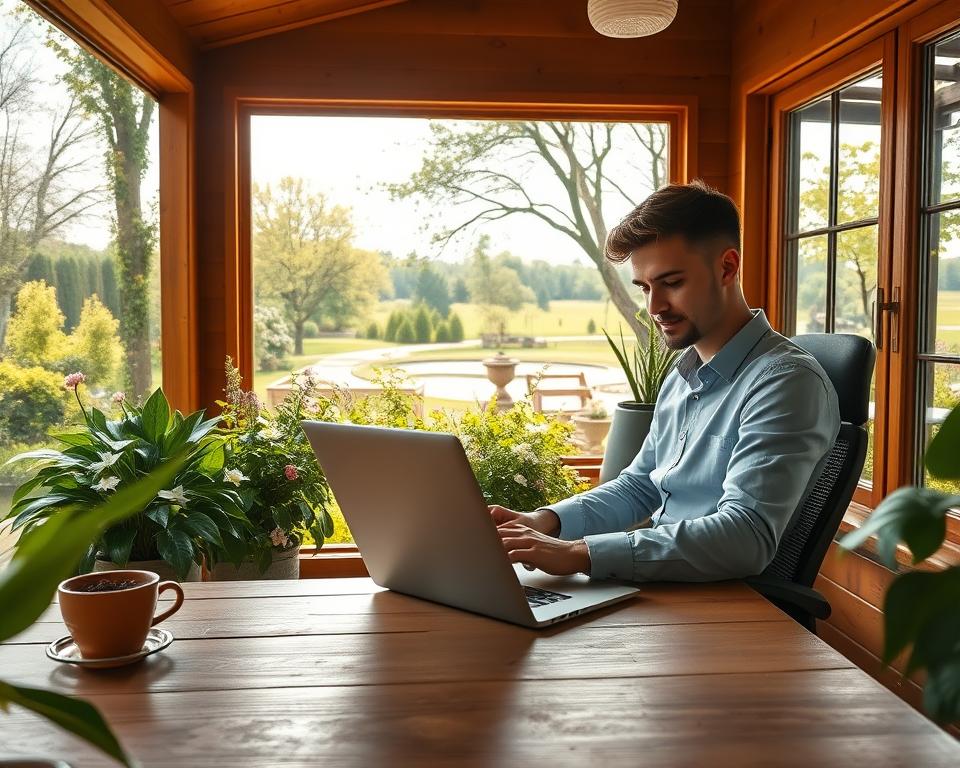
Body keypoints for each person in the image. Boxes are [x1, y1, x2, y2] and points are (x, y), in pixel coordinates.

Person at [493, 181, 840, 582]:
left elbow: (745, 536)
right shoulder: (683, 374)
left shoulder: (785, 383)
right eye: (644, 287)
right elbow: (641, 487)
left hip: (723, 610)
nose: (654, 307)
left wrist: (579, 553)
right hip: (665, 590)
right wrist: (545, 522)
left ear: (727, 267)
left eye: (672, 283)